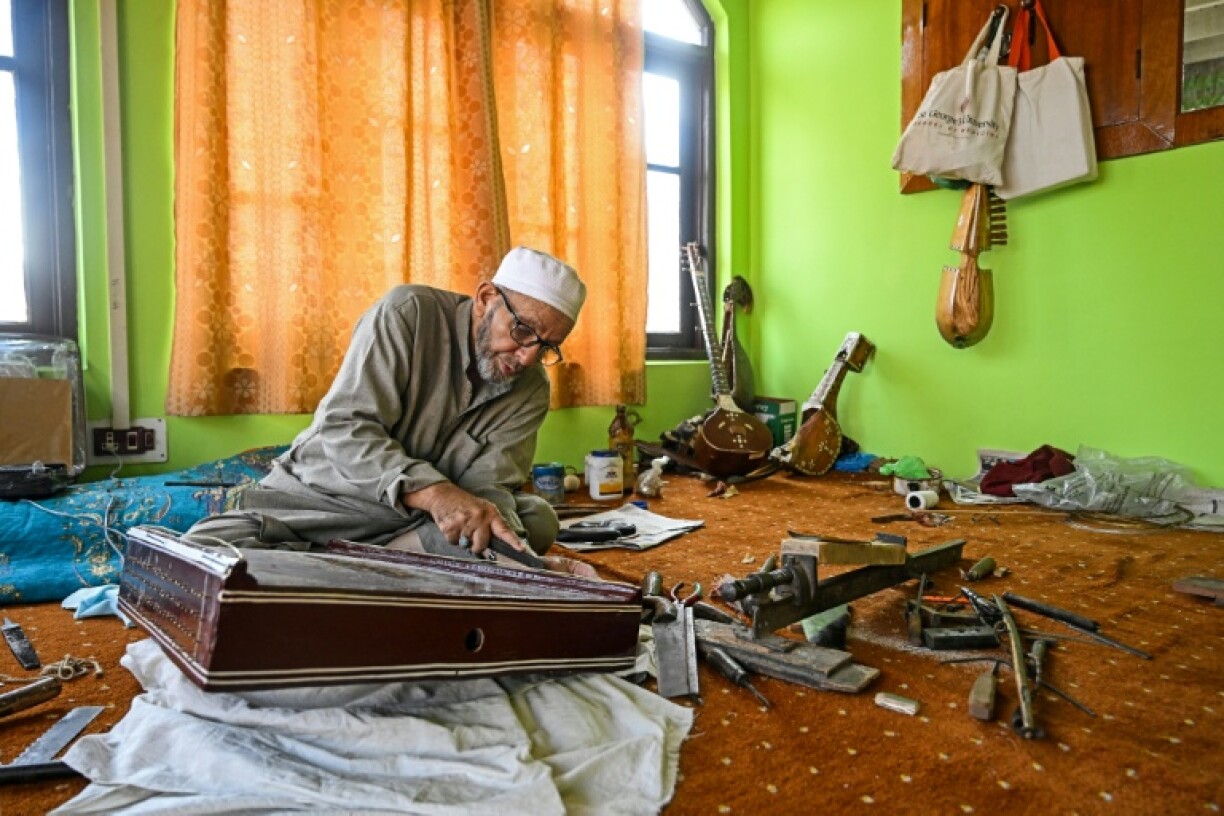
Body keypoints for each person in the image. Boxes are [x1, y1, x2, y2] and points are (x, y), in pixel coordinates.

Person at [185, 247, 588, 570]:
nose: (528, 357)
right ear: (486, 299)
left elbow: (489, 487)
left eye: (547, 347)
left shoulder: (531, 386)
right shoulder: (408, 313)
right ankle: (376, 569)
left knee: (534, 520)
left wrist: (528, 562)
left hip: (414, 526)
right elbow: (346, 429)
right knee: (204, 553)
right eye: (521, 332)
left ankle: (350, 569)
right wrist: (435, 494)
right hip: (328, 505)